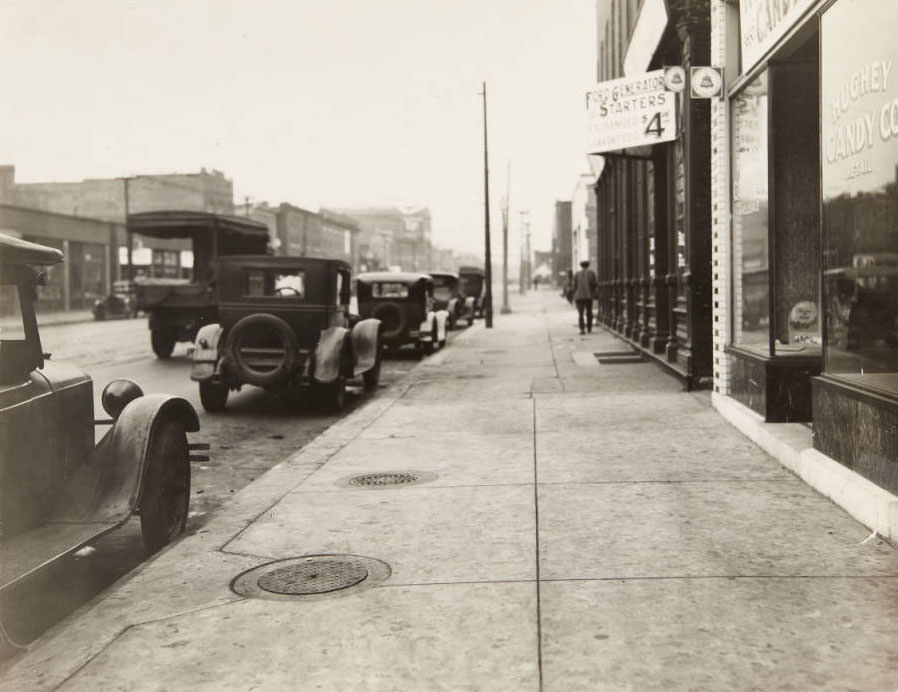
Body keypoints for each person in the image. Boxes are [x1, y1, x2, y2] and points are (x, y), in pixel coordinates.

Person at [572, 260, 598, 334]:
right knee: (589, 312)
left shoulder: (576, 274)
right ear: (588, 265)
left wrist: (575, 294)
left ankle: (582, 329)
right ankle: (589, 328)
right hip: (588, 296)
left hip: (579, 296)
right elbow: (594, 284)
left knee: (580, 313)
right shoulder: (591, 273)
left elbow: (574, 285)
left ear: (581, 266)